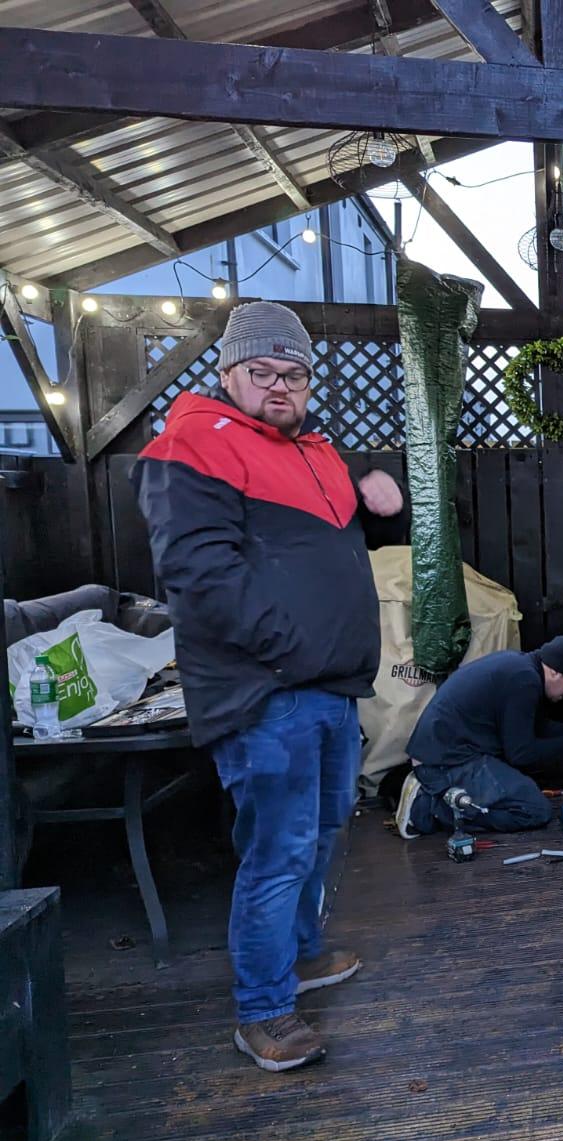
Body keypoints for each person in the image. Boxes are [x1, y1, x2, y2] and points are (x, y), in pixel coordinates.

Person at [134, 301, 404, 1073]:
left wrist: (381, 490)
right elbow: (196, 571)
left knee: (321, 834)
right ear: (228, 374)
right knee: (277, 852)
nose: (280, 387)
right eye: (263, 372)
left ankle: (301, 956)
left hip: (328, 686)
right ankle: (262, 1010)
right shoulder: (193, 442)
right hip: (265, 694)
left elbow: (351, 534)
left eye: (294, 374)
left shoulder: (314, 450)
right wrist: (286, 648)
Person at [396, 635, 563, 837]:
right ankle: (425, 807)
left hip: (444, 753)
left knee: (523, 792)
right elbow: (521, 754)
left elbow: (538, 729)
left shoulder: (521, 668)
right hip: (444, 763)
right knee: (534, 810)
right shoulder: (525, 681)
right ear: (554, 673)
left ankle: (438, 796)